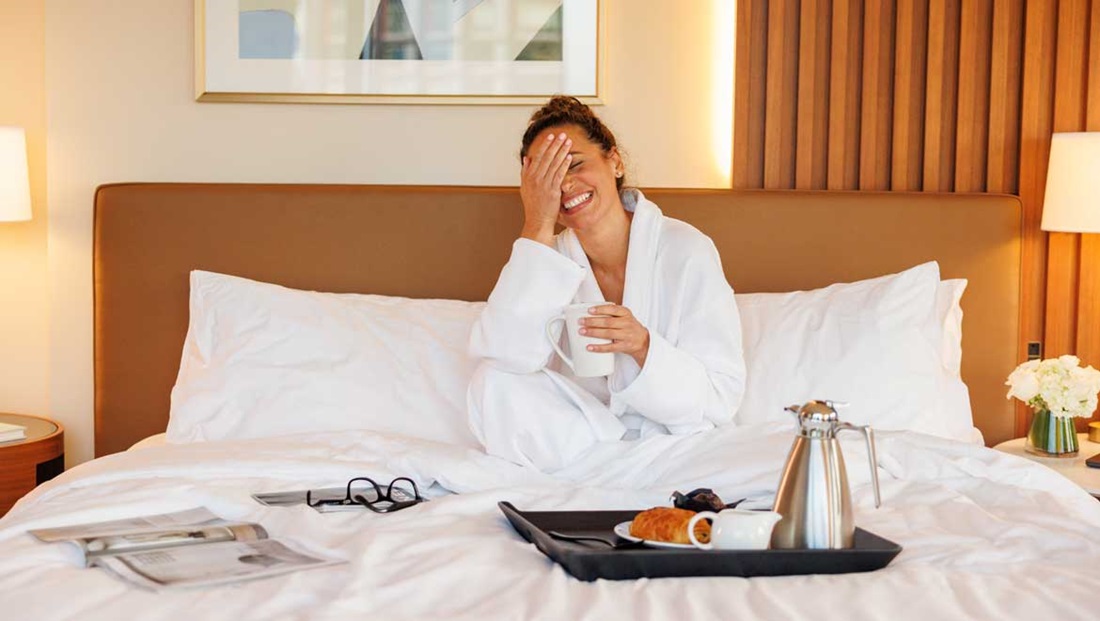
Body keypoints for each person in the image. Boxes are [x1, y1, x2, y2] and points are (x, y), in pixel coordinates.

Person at [467, 96, 746, 472]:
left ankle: (599, 488)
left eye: (576, 165)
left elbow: (721, 398)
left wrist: (643, 346)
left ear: (613, 161)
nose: (565, 184)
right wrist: (536, 224)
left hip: (674, 447)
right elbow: (504, 356)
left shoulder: (686, 250)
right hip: (589, 447)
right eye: (548, 177)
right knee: (493, 380)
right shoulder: (550, 259)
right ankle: (608, 483)